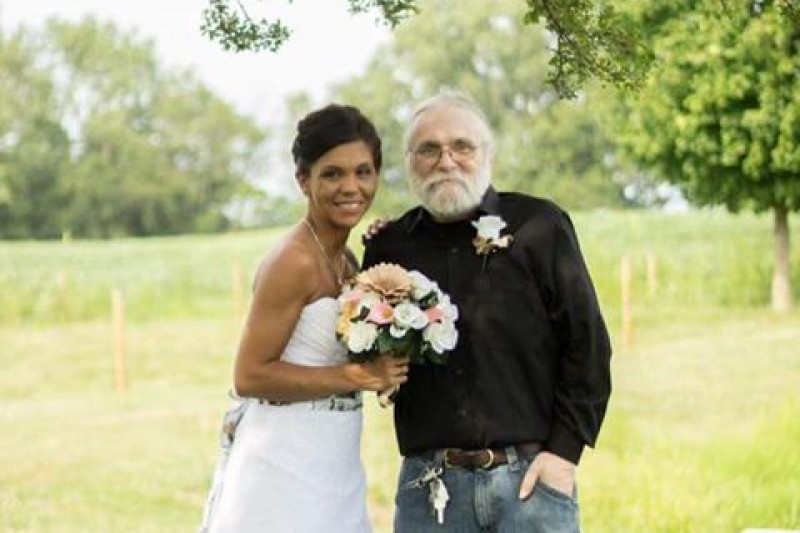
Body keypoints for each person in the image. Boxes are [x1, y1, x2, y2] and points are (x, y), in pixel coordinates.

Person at [362, 90, 612, 532]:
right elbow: (370, 353)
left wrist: (563, 454)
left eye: (461, 146)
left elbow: (587, 343)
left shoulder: (539, 226)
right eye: (428, 149)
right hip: (430, 491)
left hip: (530, 484)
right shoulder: (389, 248)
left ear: (487, 153)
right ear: (409, 161)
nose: (446, 161)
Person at [199, 103, 410, 533]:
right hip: (283, 463)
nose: (350, 187)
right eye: (332, 174)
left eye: (363, 172)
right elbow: (250, 375)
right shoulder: (293, 261)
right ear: (303, 180)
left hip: (335, 460)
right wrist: (356, 377)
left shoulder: (348, 260)